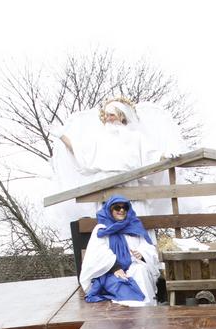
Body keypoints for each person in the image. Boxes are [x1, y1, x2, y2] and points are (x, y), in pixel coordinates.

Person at [50, 97, 184, 219]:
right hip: (105, 186)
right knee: (109, 220)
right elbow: (79, 151)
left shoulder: (135, 137)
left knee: (133, 217)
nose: (108, 118)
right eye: (106, 115)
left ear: (121, 116)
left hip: (130, 184)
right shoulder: (99, 139)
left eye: (112, 115)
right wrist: (62, 136)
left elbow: (151, 155)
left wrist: (165, 155)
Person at [78, 195, 160, 306]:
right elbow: (98, 252)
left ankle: (148, 310)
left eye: (125, 207)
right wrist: (115, 267)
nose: (121, 210)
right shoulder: (102, 228)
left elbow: (147, 246)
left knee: (141, 271)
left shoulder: (134, 226)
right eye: (117, 207)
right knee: (121, 286)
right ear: (110, 210)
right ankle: (130, 316)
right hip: (110, 271)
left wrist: (142, 253)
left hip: (133, 265)